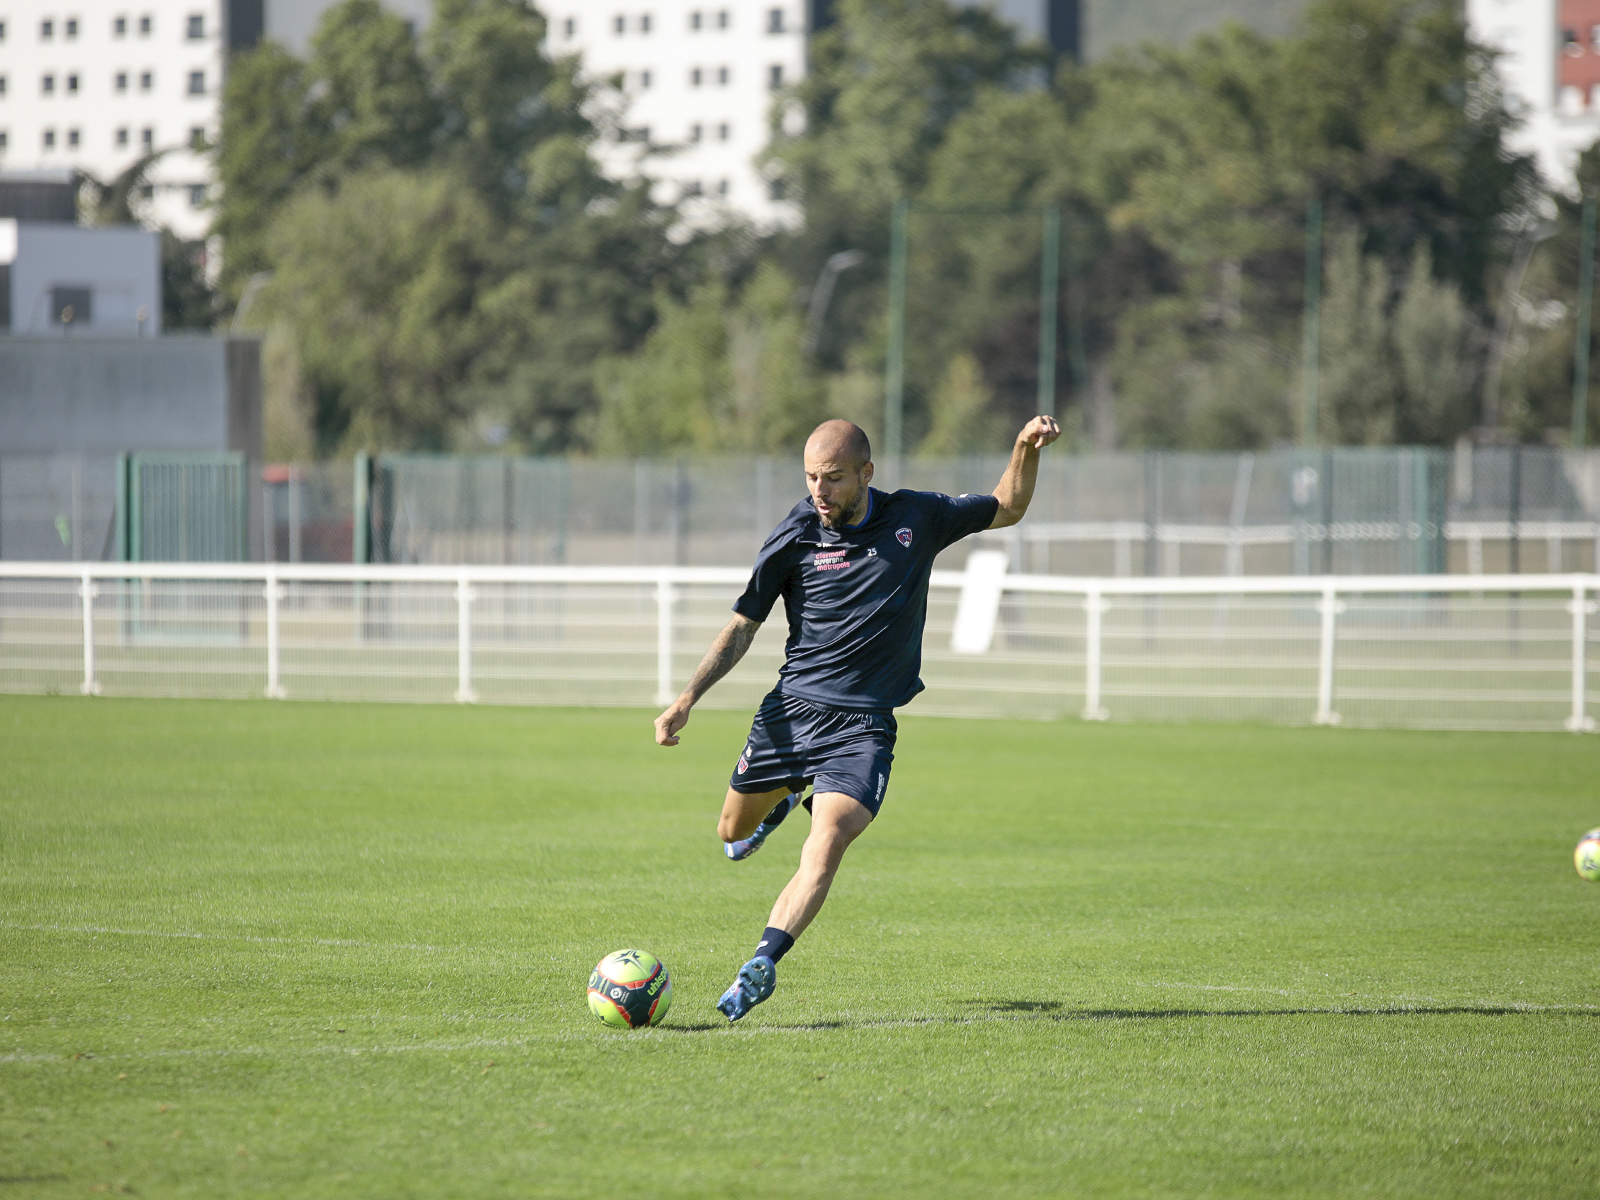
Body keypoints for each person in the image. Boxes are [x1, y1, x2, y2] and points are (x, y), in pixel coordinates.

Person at [652, 415, 1061, 1021]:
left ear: (867, 472)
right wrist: (688, 697)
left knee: (828, 841)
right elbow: (743, 625)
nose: (820, 491)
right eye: (811, 478)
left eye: (834, 478)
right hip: (791, 713)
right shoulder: (794, 534)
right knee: (731, 833)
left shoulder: (916, 516)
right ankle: (786, 796)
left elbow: (1006, 507)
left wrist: (1025, 447)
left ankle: (763, 961)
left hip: (863, 728)